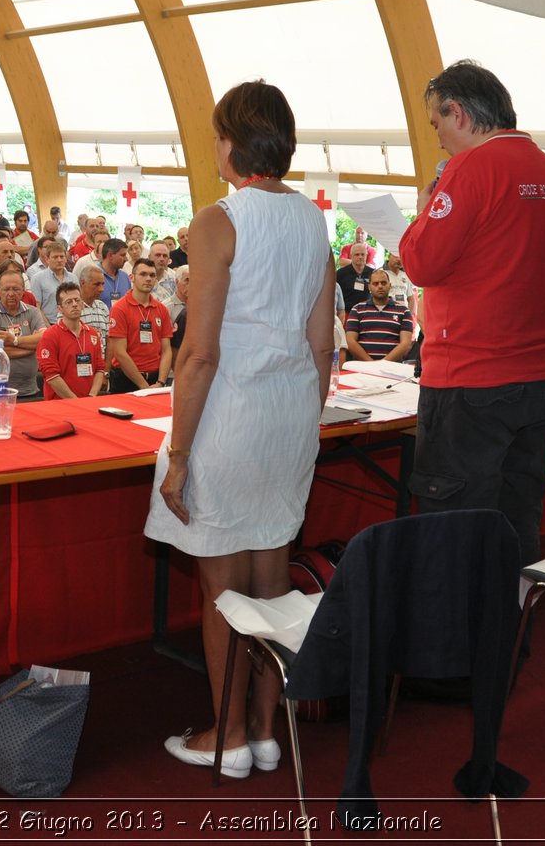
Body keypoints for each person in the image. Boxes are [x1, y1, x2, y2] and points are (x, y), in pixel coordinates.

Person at [144, 80, 334, 777]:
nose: (215, 146)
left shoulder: (218, 219)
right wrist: (302, 427)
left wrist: (180, 454)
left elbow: (199, 352)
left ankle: (225, 736)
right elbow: (322, 344)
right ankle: (262, 727)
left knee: (222, 590)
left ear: (236, 142)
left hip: (230, 417)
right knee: (268, 582)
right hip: (288, 415)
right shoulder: (313, 219)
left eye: (219, 134)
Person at [399, 60, 545, 566]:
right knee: (516, 516)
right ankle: (506, 632)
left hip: (473, 379)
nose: (438, 141)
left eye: (437, 124)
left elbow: (420, 261)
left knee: (453, 529)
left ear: (457, 112)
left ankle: (452, 641)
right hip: (541, 375)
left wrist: (423, 208)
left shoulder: (472, 169)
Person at [0, 265, 47, 401]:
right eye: (6, 289)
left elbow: (44, 341)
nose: (11, 293)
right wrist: (32, 347)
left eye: (16, 289)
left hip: (29, 389)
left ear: (23, 291)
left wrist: (14, 341)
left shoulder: (33, 312)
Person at [108, 258, 174, 393]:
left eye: (152, 275)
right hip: (126, 379)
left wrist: (160, 382)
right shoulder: (120, 308)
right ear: (132, 277)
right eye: (143, 274)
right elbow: (120, 353)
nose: (148, 279)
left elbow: (166, 350)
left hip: (156, 380)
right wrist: (144, 386)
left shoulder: (161, 309)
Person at [38, 282, 107, 398]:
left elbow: (100, 369)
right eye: (68, 302)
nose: (74, 304)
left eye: (77, 300)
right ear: (59, 309)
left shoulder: (93, 334)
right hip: (60, 406)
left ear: (82, 305)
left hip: (88, 401)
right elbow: (51, 376)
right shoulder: (50, 336)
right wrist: (75, 401)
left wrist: (92, 396)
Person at [344, 269, 415, 361]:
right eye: (376, 284)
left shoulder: (404, 311)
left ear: (390, 285)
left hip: (392, 369)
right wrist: (371, 363)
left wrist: (382, 364)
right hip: (363, 368)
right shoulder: (357, 309)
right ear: (369, 287)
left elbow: (405, 343)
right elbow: (350, 341)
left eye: (383, 283)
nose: (380, 286)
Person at [76, 263, 111, 364]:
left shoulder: (103, 307)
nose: (101, 289)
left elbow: (109, 342)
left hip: (101, 367)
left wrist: (106, 370)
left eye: (102, 284)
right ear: (83, 283)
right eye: (97, 284)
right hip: (80, 366)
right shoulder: (71, 307)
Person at [334, 244, 373, 312]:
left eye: (363, 254)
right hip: (347, 312)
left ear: (366, 256)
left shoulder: (373, 273)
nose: (360, 257)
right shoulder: (340, 274)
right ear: (351, 256)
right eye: (357, 254)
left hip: (367, 312)